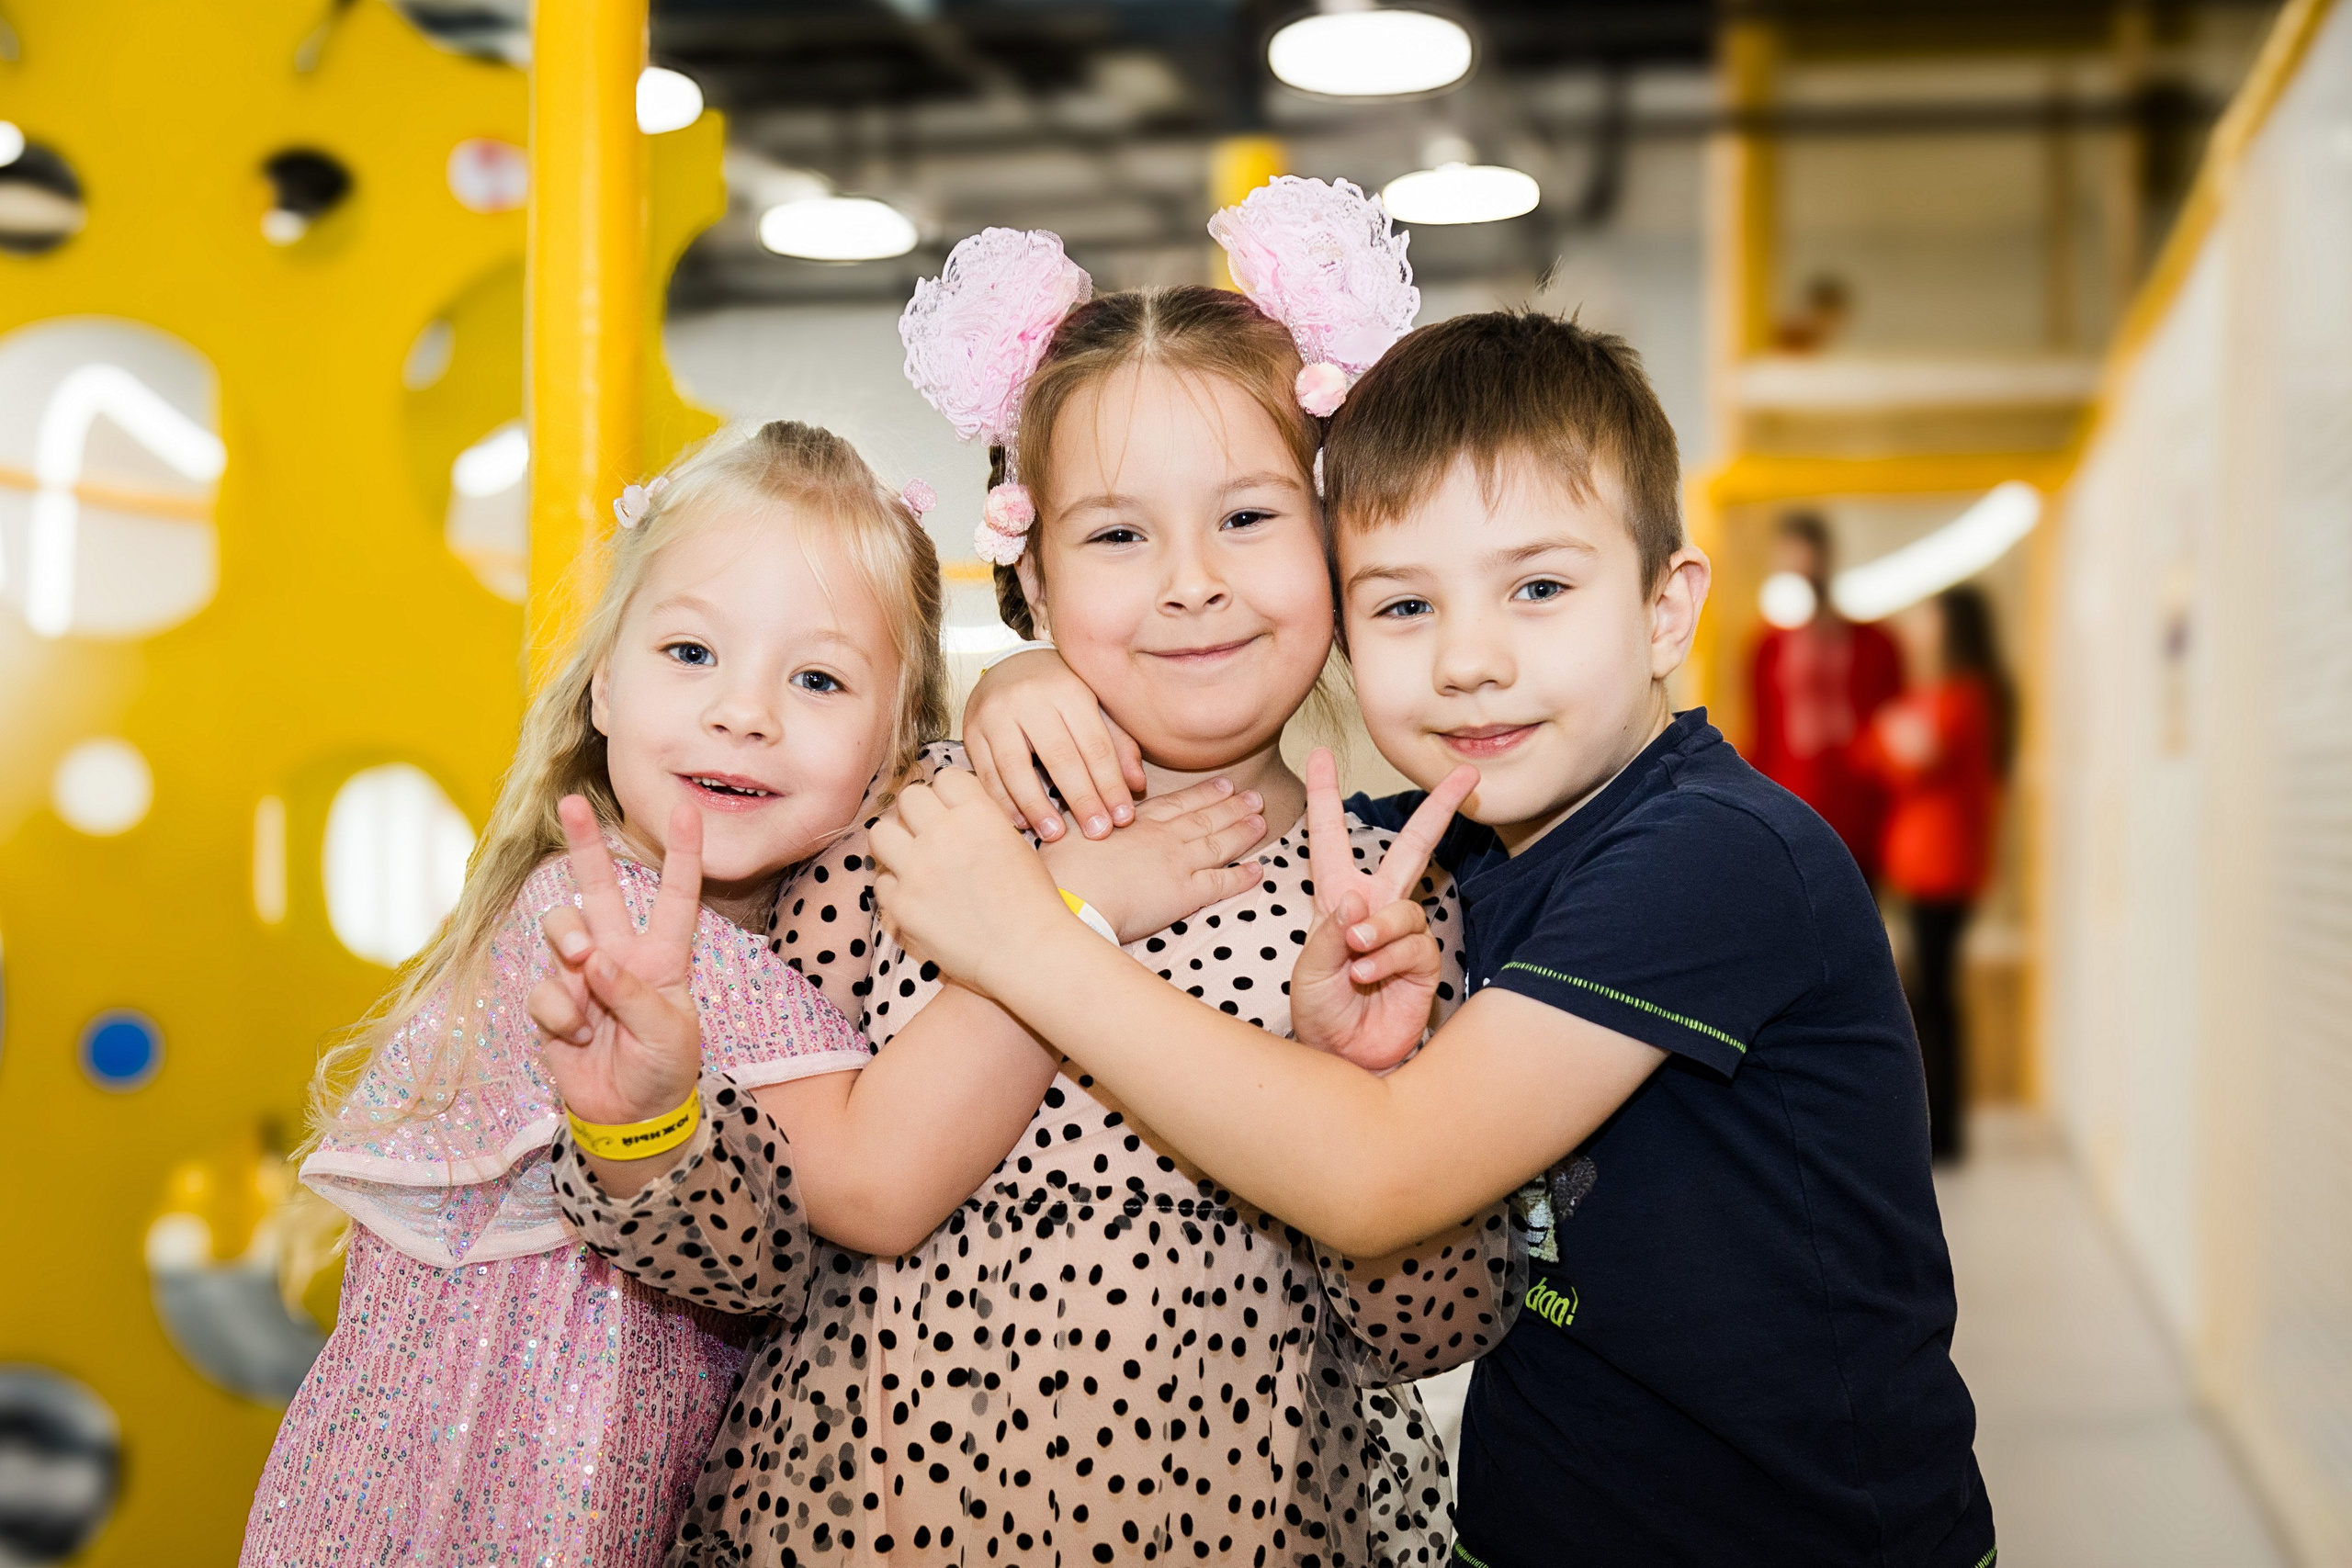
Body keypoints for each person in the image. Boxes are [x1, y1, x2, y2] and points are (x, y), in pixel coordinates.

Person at [888, 310, 1995, 1567]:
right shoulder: (1441, 846)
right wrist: (1025, 681)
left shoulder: (1715, 857)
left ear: (1664, 607)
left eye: (1539, 588)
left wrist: (1033, 945)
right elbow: (1218, 820)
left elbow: (1382, 1175)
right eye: (1406, 604)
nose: (1470, 660)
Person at [528, 192, 1515, 1568]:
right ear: (1032, 576)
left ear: (1339, 546)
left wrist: (1368, 1081)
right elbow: (757, 1264)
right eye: (1116, 536)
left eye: (1247, 516)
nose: (1190, 583)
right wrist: (643, 1131)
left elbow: (1431, 1331)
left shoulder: (1387, 900)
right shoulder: (903, 833)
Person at [243, 420, 1253, 1567]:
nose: (744, 712)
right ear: (603, 687)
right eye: (690, 652)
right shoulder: (616, 927)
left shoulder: (777, 924)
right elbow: (875, 1182)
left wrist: (1019, 681)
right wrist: (1071, 906)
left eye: (816, 678)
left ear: (893, 744)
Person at [1858, 585, 2012, 1161]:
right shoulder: (1945, 695)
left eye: (1928, 620)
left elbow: (1910, 757)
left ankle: (1941, 1129)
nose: (1918, 630)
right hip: (1932, 866)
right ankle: (1938, 1124)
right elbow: (1873, 750)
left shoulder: (1964, 697)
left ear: (1951, 627)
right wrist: (1893, 737)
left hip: (1943, 867)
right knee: (1931, 993)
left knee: (1934, 997)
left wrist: (1893, 736)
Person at [1748, 510, 1904, 880]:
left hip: (1858, 811)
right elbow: (1762, 734)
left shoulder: (1875, 645)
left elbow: (1888, 729)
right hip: (1787, 806)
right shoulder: (1766, 650)